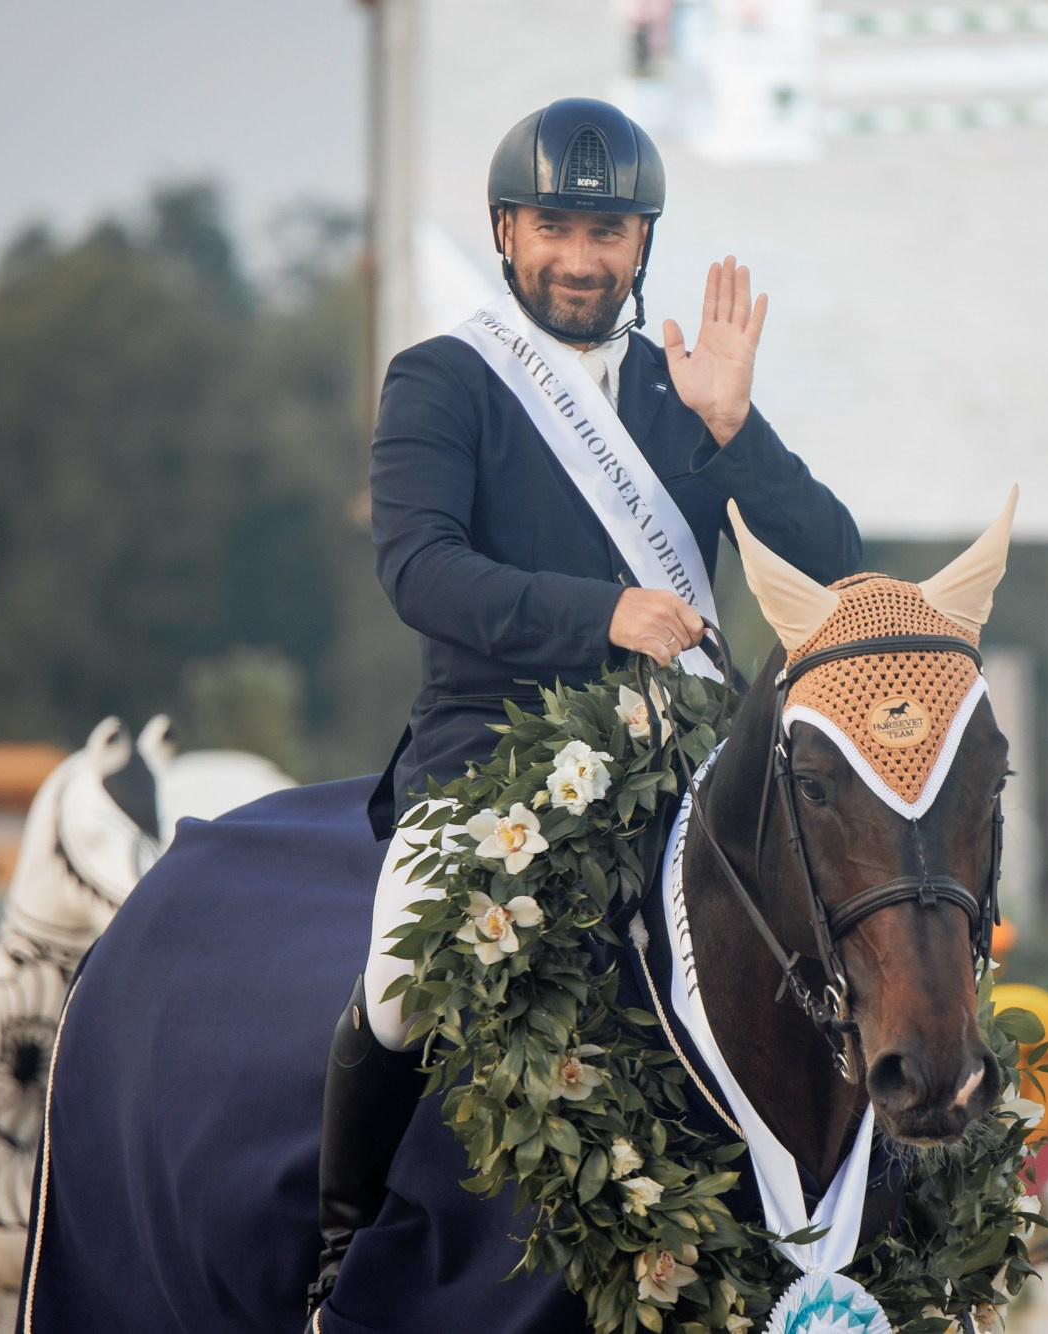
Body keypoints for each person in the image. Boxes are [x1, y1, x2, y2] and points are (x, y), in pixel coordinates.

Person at [311, 96, 863, 1311]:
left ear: (640, 242)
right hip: (485, 757)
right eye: (553, 228)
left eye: (605, 233)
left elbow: (835, 569)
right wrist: (601, 613)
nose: (578, 257)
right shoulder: (441, 379)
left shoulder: (682, 392)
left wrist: (735, 429)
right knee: (400, 981)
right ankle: (337, 1246)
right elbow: (420, 569)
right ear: (505, 231)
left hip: (686, 762)